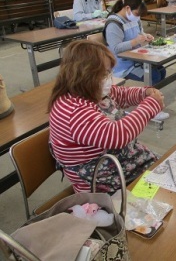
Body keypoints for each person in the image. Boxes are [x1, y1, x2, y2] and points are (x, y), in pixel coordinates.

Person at [48, 40, 165, 194]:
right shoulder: (72, 111)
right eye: (104, 73)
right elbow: (117, 135)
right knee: (168, 191)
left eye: (109, 72)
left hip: (123, 166)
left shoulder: (91, 91)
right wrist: (150, 105)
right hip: (103, 185)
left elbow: (121, 95)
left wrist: (144, 93)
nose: (109, 78)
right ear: (83, 74)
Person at [103, 0, 169, 120]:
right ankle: (150, 108)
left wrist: (146, 36)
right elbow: (115, 48)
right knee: (154, 75)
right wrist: (135, 41)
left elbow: (140, 33)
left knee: (161, 71)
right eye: (137, 14)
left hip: (136, 58)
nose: (137, 17)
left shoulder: (134, 19)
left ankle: (152, 101)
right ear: (127, 8)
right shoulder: (113, 24)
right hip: (122, 65)